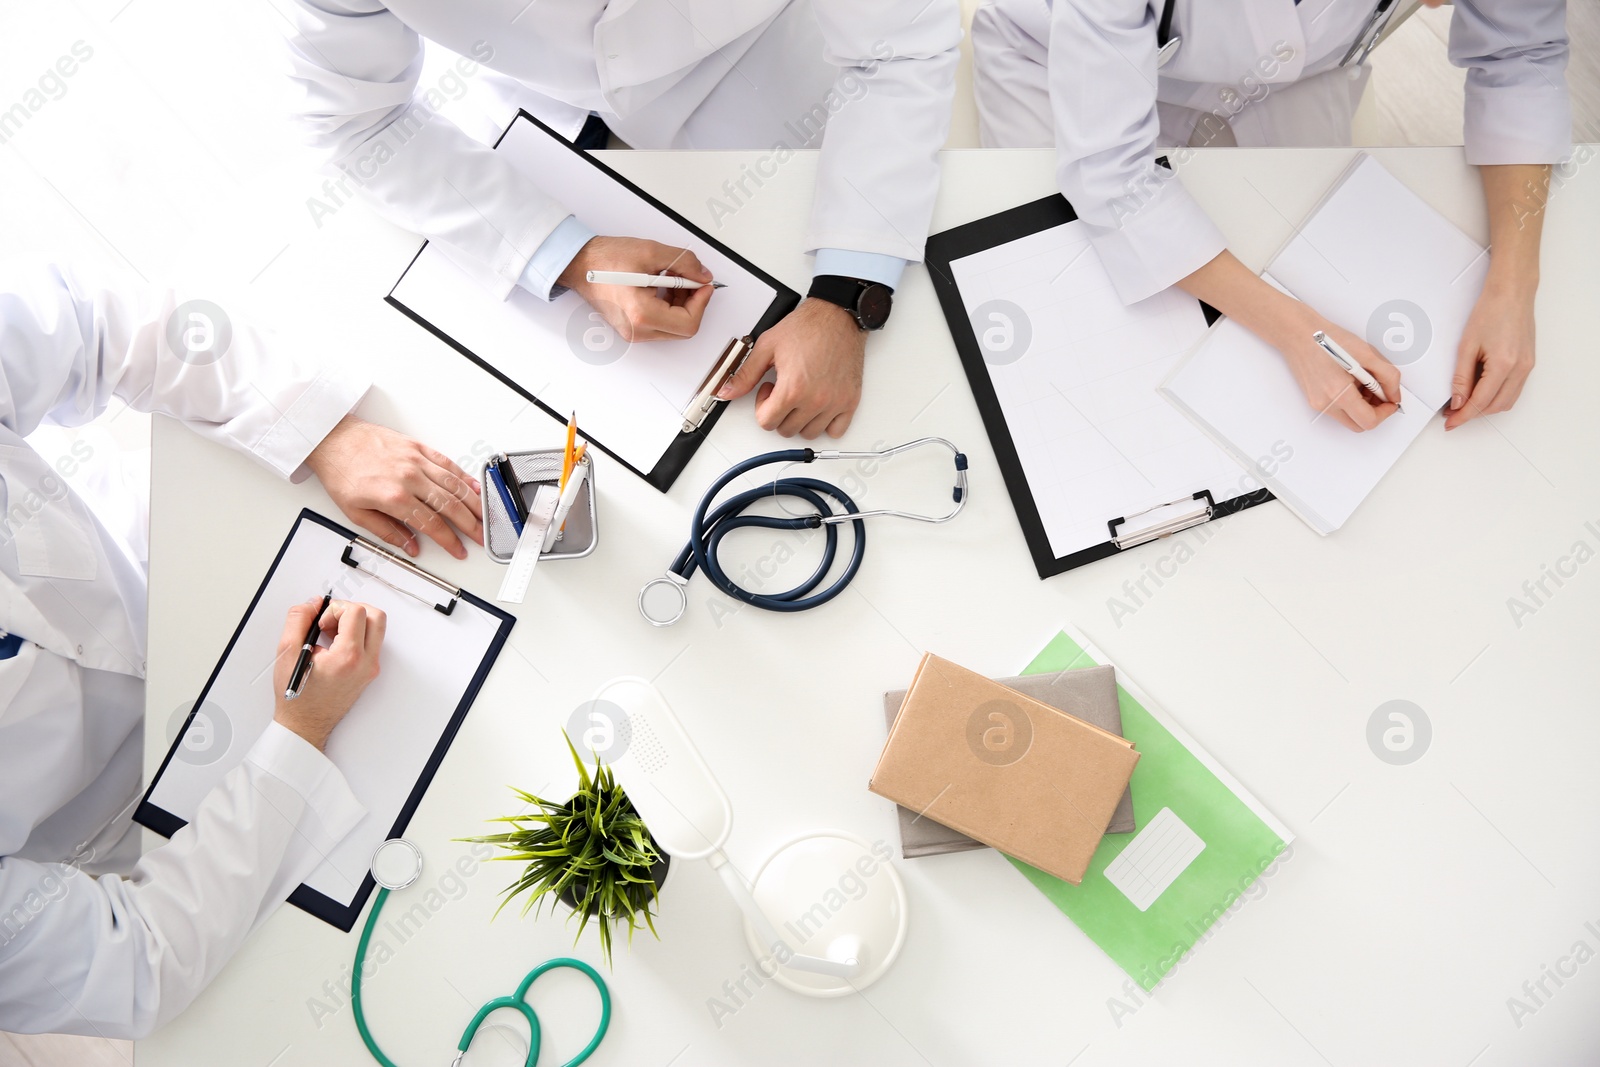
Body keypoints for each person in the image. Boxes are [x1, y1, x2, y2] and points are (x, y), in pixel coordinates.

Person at [0, 264, 483, 1037]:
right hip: (152, 818)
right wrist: (298, 739)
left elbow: (97, 325)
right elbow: (139, 964)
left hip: (180, 567)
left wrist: (318, 427)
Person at [281, 0, 961, 439]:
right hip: (561, 129)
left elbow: (901, 45)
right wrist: (566, 254)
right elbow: (355, 123)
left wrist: (848, 294)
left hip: (786, 95)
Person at [971, 0, 1569, 432]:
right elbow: (1108, 174)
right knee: (1087, 342)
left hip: (1295, 76)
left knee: (1312, 286)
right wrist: (1298, 332)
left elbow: (1521, 55)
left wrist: (1513, 290)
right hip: (1063, 63)